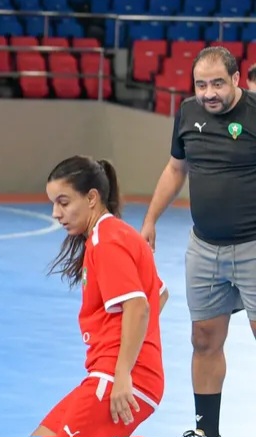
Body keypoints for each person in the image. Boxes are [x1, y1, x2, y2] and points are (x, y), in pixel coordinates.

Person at [140, 46, 256, 437]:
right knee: (203, 339)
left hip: (254, 247)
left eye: (217, 84)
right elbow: (177, 168)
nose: (209, 93)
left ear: (236, 79)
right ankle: (207, 431)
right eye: (201, 84)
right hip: (204, 249)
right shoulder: (188, 113)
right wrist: (151, 219)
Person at [33, 155, 169, 437]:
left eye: (64, 202)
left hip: (122, 377)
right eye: (53, 204)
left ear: (92, 198)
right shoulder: (115, 233)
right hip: (114, 373)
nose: (56, 213)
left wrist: (124, 373)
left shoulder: (106, 241)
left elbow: (138, 306)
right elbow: (159, 294)